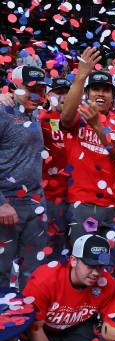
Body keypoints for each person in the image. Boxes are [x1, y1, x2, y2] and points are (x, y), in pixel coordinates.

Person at [23, 234, 115, 341]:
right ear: (73, 260)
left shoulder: (106, 283)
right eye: (90, 265)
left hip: (74, 328)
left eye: (101, 266)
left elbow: (108, 321)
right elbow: (34, 329)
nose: (96, 272)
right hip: (38, 331)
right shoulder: (44, 279)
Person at [60, 47, 115, 265]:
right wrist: (81, 75)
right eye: (95, 89)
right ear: (87, 94)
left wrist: (98, 126)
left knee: (112, 264)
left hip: (114, 205)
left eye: (106, 90)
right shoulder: (78, 116)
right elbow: (64, 120)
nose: (100, 93)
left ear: (113, 97)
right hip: (82, 203)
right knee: (83, 265)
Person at [0, 65, 48, 287]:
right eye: (31, 88)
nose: (37, 94)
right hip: (8, 202)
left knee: (35, 269)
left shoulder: (36, 112)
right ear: (15, 86)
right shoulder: (2, 112)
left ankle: (31, 320)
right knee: (1, 269)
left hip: (35, 201)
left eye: (41, 88)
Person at [40, 78, 72, 260]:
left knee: (75, 243)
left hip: (78, 195)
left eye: (67, 92)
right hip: (52, 195)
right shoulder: (40, 120)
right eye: (58, 92)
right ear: (49, 96)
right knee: (53, 244)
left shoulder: (81, 119)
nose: (64, 97)